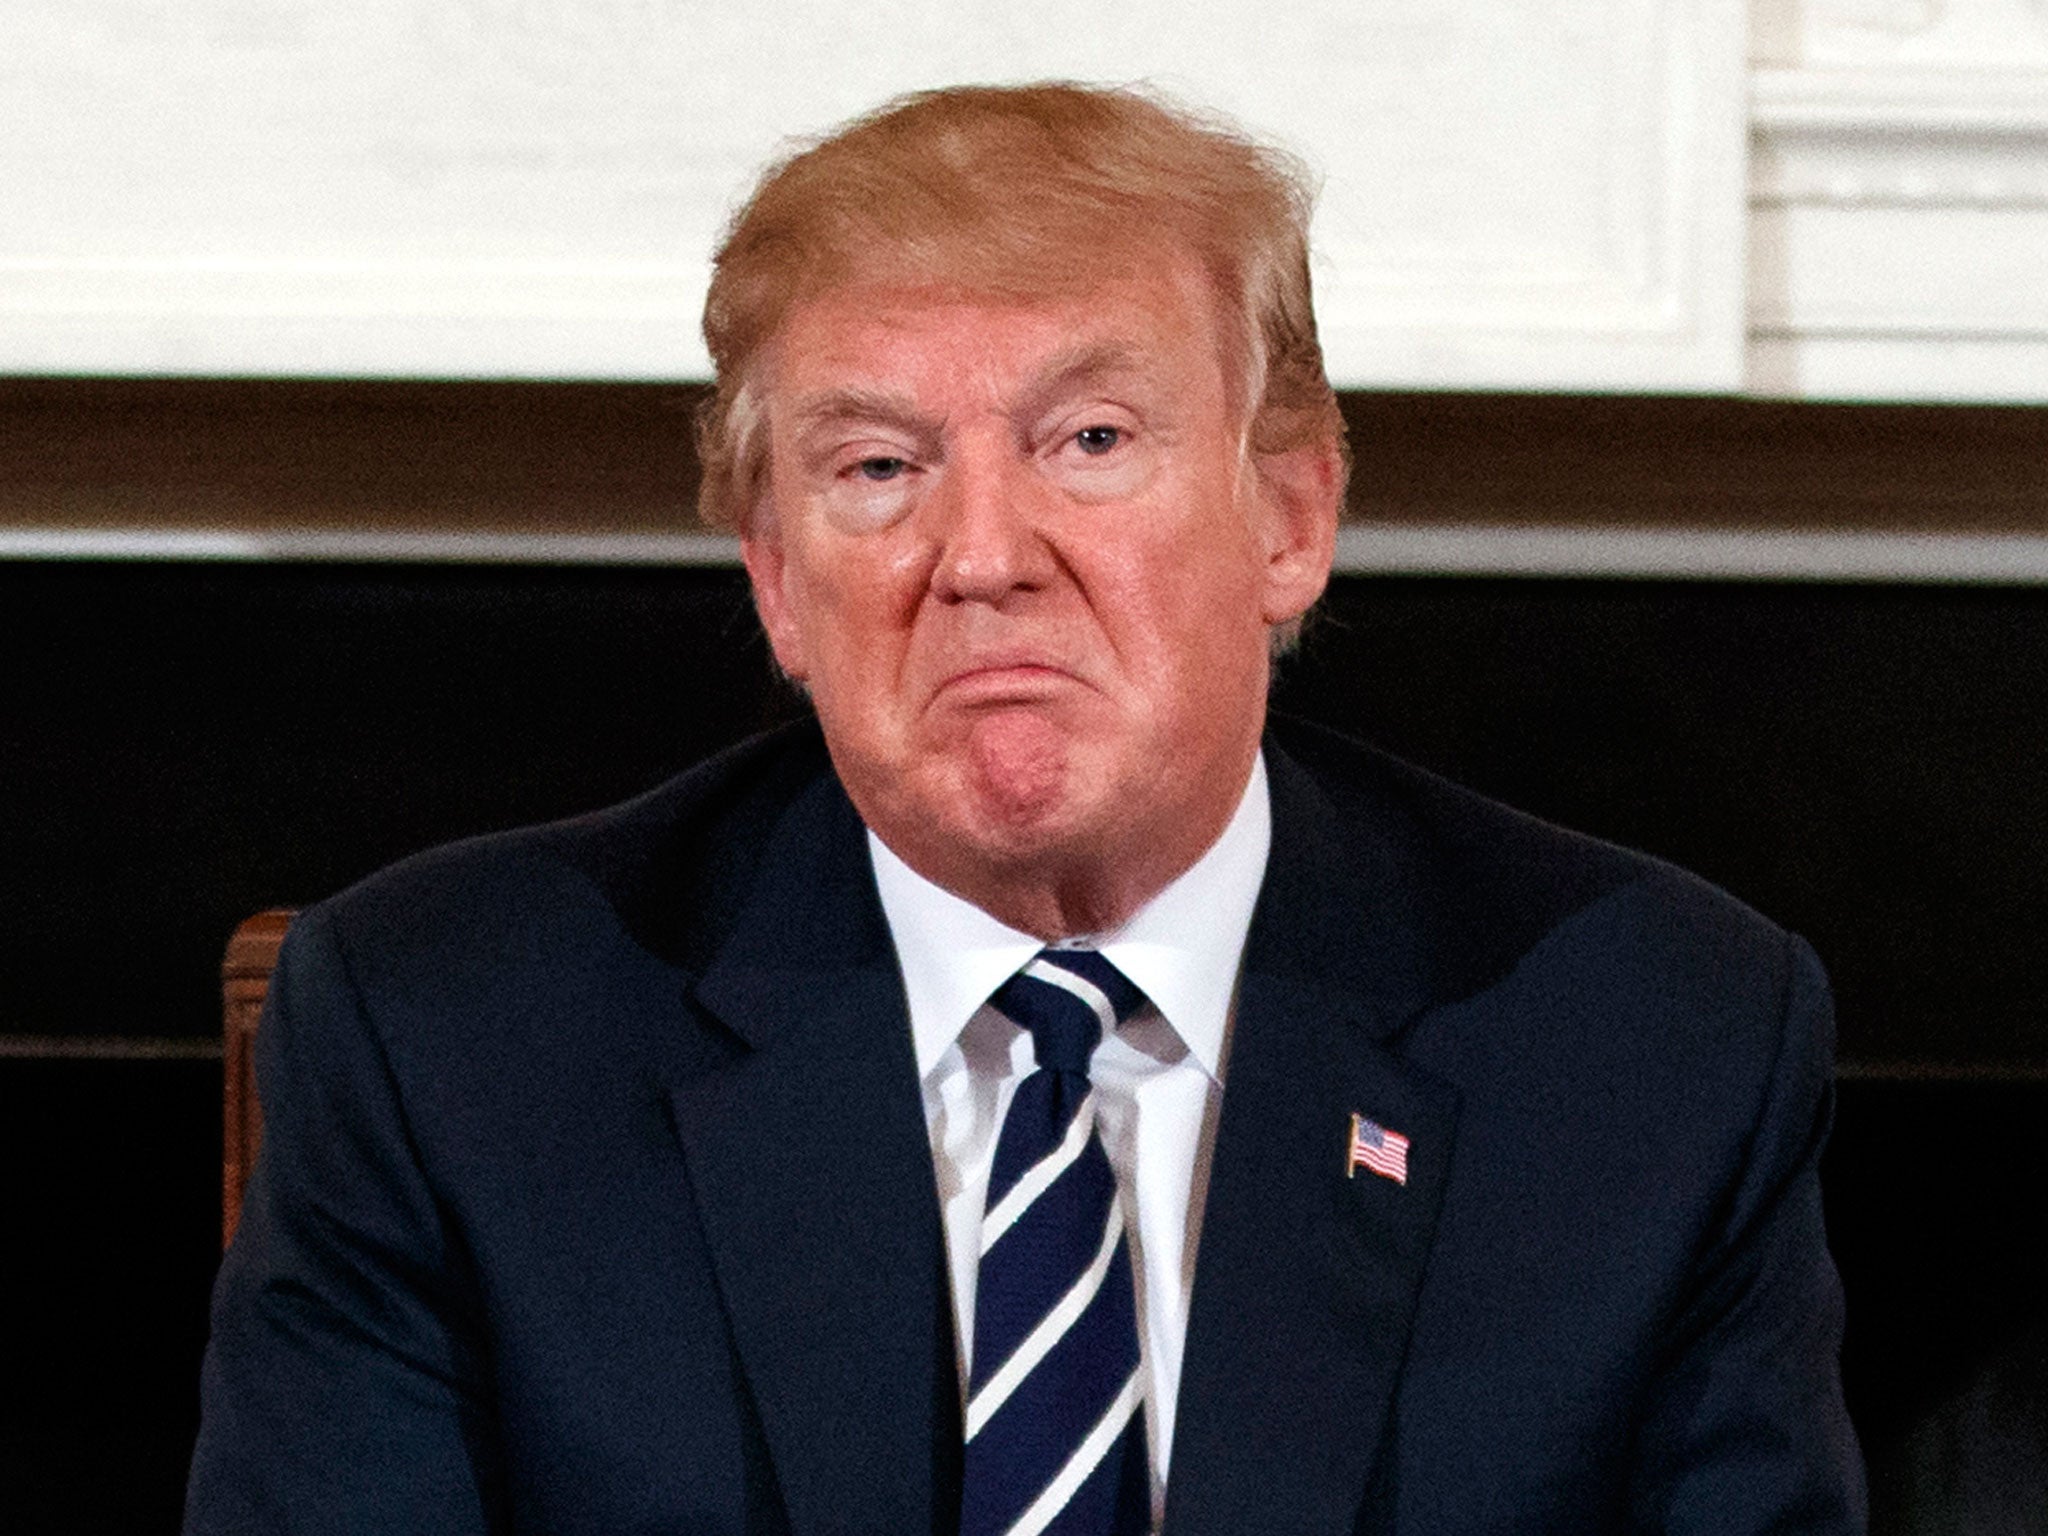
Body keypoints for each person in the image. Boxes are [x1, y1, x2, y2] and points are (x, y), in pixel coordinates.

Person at [186, 82, 1865, 1534]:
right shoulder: (451, 1039)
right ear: (776, 582)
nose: (982, 556)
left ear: (1288, 513)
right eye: (877, 468)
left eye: (1088, 437)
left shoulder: (1651, 1044)